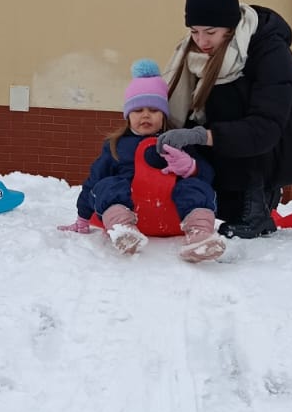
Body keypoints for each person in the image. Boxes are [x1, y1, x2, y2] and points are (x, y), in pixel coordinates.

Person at [156, 0, 292, 238]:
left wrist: (200, 136)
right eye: (194, 31)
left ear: (229, 26)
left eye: (210, 32)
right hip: (250, 138)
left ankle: (256, 207)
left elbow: (265, 127)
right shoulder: (194, 52)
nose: (201, 41)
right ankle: (244, 199)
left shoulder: (269, 49)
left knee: (226, 95)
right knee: (207, 120)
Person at [58, 60, 226, 261]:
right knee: (108, 185)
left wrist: (190, 167)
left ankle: (200, 235)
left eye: (153, 110)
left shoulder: (177, 141)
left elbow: (208, 176)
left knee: (194, 186)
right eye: (138, 110)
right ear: (128, 115)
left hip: (173, 216)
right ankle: (124, 231)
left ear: (163, 115)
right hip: (132, 213)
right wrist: (82, 218)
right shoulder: (116, 145)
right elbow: (94, 180)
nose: (146, 115)